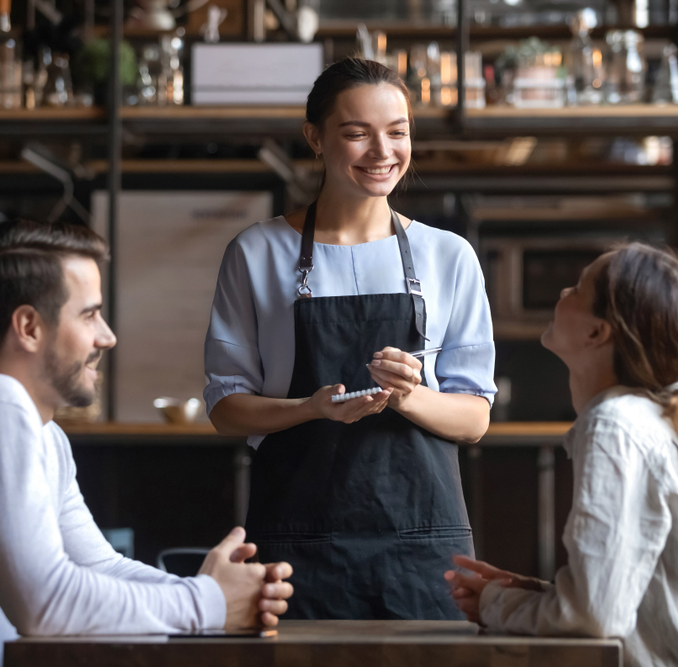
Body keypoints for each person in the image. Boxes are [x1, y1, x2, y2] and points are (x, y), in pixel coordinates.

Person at [0, 221, 293, 667]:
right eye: (89, 314)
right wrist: (208, 603)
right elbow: (46, 603)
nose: (107, 336)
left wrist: (221, 593)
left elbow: (100, 565)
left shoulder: (40, 431)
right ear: (29, 327)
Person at [204, 57, 497, 620]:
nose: (382, 152)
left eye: (398, 133)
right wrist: (309, 409)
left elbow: (475, 416)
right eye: (357, 133)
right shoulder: (257, 252)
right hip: (297, 542)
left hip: (422, 544)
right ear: (315, 137)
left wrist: (412, 396)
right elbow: (226, 408)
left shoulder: (449, 256)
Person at [445, 243, 678, 667]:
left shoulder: (614, 425)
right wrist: (536, 593)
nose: (563, 292)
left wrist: (495, 605)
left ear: (598, 333)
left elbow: (594, 618)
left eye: (578, 289)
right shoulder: (652, 418)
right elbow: (638, 601)